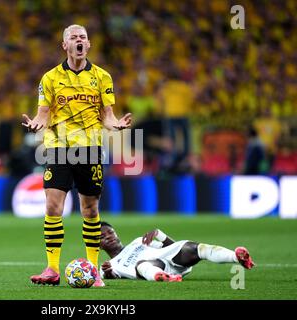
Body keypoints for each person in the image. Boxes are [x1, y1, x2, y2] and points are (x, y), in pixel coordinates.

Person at [23, 24, 132, 287]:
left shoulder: (102, 77)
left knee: (90, 209)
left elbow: (107, 115)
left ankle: (93, 271)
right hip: (59, 147)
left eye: (83, 37)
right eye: (73, 38)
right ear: (65, 45)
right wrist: (37, 122)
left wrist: (115, 124)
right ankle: (51, 268)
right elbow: (43, 112)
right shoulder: (49, 78)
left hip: (90, 149)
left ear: (89, 44)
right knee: (52, 206)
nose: (79, 41)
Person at [99, 221, 255, 282]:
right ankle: (164, 277)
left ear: (116, 233)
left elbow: (171, 247)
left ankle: (237, 257)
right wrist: (108, 273)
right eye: (102, 236)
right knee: (142, 264)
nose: (108, 237)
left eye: (110, 232)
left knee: (194, 247)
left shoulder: (138, 241)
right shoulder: (109, 264)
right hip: (152, 268)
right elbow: (112, 276)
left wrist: (160, 235)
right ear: (97, 245)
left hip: (170, 260)